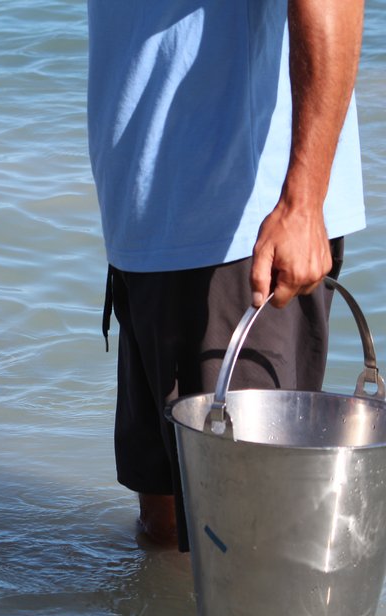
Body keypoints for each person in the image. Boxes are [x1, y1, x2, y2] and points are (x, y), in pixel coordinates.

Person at [87, 1, 366, 549]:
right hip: (147, 228)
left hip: (243, 233)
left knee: (247, 547)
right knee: (164, 531)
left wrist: (304, 204)